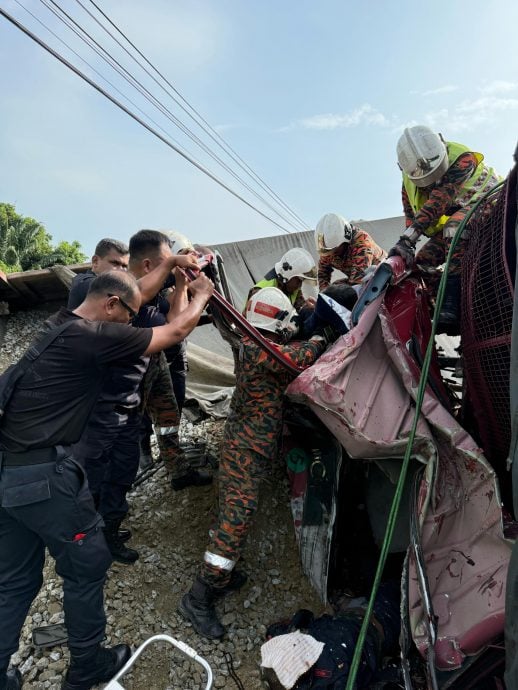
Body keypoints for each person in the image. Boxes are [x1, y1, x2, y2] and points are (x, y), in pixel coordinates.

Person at [0, 269, 214, 690]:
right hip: (46, 477)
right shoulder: (93, 336)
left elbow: (135, 294)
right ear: (110, 304)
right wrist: (201, 293)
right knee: (87, 564)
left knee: (14, 581)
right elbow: (174, 331)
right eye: (128, 315)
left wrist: (173, 270)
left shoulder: (58, 326)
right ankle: (87, 665)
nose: (131, 323)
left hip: (9, 475)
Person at [178, 286, 329, 639]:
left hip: (248, 448)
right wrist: (321, 336)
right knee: (235, 522)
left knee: (235, 516)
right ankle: (198, 597)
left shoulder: (250, 342)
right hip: (244, 451)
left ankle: (222, 578)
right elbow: (299, 358)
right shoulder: (260, 350)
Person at [69, 232, 201, 565]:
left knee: (123, 468)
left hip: (129, 397)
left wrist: (181, 285)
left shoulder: (151, 297)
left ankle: (109, 529)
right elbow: (137, 295)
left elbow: (174, 324)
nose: (118, 269)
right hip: (99, 407)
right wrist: (176, 269)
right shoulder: (90, 288)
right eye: (114, 263)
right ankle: (86, 541)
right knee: (94, 475)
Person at [391, 125, 501, 330]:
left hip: (491, 203)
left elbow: (440, 200)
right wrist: (407, 246)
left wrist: (407, 239)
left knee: (454, 226)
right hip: (460, 218)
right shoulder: (408, 180)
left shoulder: (462, 157)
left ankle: (453, 299)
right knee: (422, 262)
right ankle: (438, 308)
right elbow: (410, 215)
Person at [129, 230, 213, 490]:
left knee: (168, 417)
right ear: (148, 265)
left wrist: (182, 284)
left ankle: (178, 472)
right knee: (129, 427)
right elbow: (175, 330)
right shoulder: (124, 291)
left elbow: (176, 321)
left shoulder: (156, 292)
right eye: (168, 261)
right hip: (130, 376)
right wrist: (200, 296)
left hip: (155, 364)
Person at [315, 213, 386, 292]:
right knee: (333, 289)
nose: (331, 255)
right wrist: (324, 293)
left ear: (345, 241)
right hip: (359, 279)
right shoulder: (327, 248)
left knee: (342, 292)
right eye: (329, 252)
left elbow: (358, 282)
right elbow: (323, 272)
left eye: (335, 251)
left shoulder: (362, 243)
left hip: (381, 276)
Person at [244, 247, 317, 313]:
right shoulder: (260, 293)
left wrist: (308, 310)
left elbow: (299, 310)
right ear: (287, 275)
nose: (300, 285)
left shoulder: (293, 290)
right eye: (299, 280)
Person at [68, 238, 130, 309]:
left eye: (124, 266)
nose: (121, 270)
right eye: (115, 263)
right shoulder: (83, 282)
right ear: (95, 261)